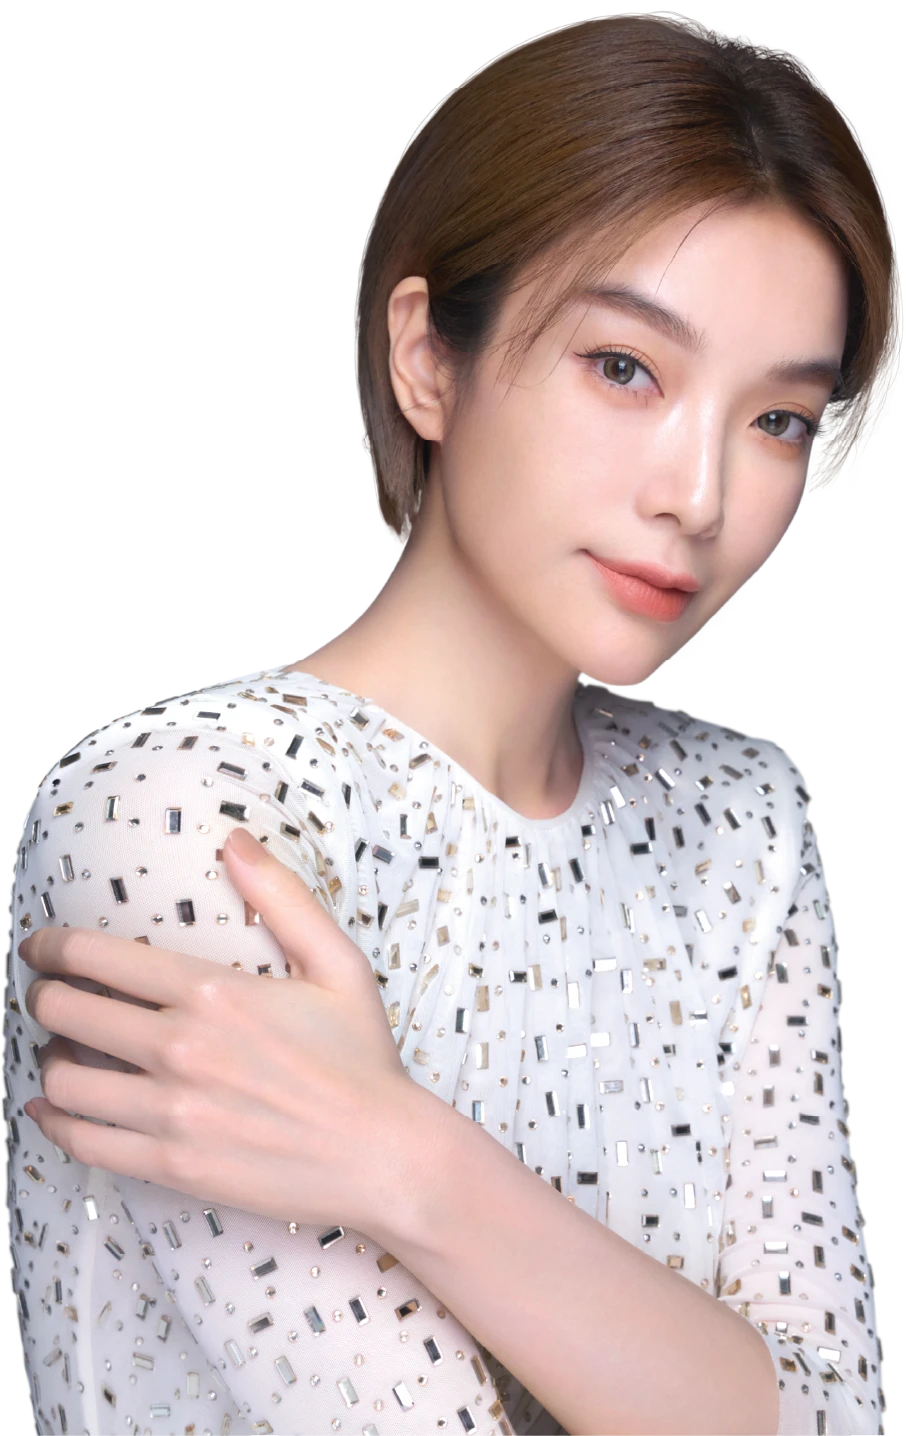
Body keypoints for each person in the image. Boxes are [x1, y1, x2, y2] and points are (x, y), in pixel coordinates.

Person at [4, 11, 900, 1435]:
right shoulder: (179, 822)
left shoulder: (741, 819)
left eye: (778, 421)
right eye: (625, 367)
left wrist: (409, 1165)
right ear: (427, 358)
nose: (697, 496)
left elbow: (837, 1413)